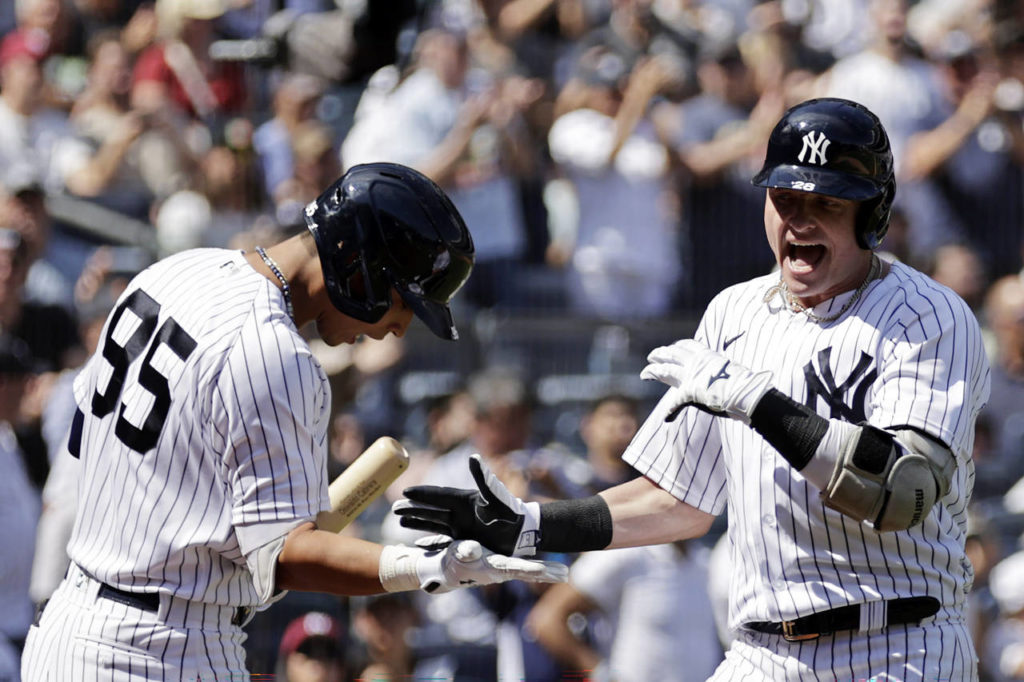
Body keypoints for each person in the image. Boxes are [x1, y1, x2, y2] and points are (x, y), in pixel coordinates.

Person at [395, 98, 992, 680]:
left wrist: (760, 405)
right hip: (762, 654)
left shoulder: (929, 316)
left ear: (874, 213)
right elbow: (675, 500)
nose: (800, 220)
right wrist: (532, 524)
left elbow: (902, 492)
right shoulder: (734, 313)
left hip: (896, 645)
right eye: (784, 198)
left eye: (827, 203)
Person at [20, 161, 566, 681]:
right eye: (403, 301)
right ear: (358, 266)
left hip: (71, 624)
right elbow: (287, 555)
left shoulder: (176, 270)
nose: (399, 327)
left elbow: (85, 438)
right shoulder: (277, 356)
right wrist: (431, 566)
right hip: (158, 649)